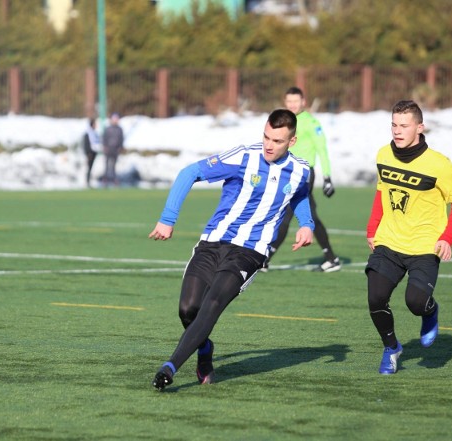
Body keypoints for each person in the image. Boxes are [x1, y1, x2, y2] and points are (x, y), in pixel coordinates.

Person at [148, 109, 315, 391]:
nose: (269, 145)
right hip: (213, 242)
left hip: (250, 251)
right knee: (189, 310)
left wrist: (306, 223)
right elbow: (189, 172)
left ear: (292, 141)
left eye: (276, 140)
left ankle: (170, 366)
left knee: (212, 303)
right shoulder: (243, 157)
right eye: (265, 137)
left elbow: (298, 194)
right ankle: (204, 349)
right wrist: (167, 218)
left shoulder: (301, 170)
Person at [365, 100, 452, 375]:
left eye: (404, 126)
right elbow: (381, 190)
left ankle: (430, 311)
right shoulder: (383, 154)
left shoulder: (439, 164)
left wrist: (448, 238)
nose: (397, 131)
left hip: (425, 246)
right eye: (394, 125)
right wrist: (372, 228)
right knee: (376, 298)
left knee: (416, 303)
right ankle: (392, 348)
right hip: (389, 242)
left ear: (419, 127)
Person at [263, 86, 340, 272]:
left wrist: (327, 177)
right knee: (309, 214)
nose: (292, 105)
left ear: (303, 102)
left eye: (295, 102)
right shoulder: (284, 122)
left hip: (304, 174)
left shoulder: (311, 123)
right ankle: (331, 258)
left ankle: (265, 258)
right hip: (286, 172)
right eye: (289, 101)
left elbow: (322, 149)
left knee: (286, 213)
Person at [102, 112, 124, 186]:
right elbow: (104, 138)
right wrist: (105, 147)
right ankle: (105, 180)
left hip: (115, 150)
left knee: (114, 166)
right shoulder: (108, 129)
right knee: (107, 166)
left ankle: (114, 180)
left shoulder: (119, 129)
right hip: (108, 149)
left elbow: (121, 139)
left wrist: (120, 147)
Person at [82, 118, 102, 187]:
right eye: (95, 124)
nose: (96, 125)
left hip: (94, 153)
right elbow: (86, 145)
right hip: (90, 154)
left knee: (91, 168)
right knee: (89, 168)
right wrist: (88, 153)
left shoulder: (94, 133)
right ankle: (87, 181)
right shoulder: (88, 134)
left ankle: (89, 181)